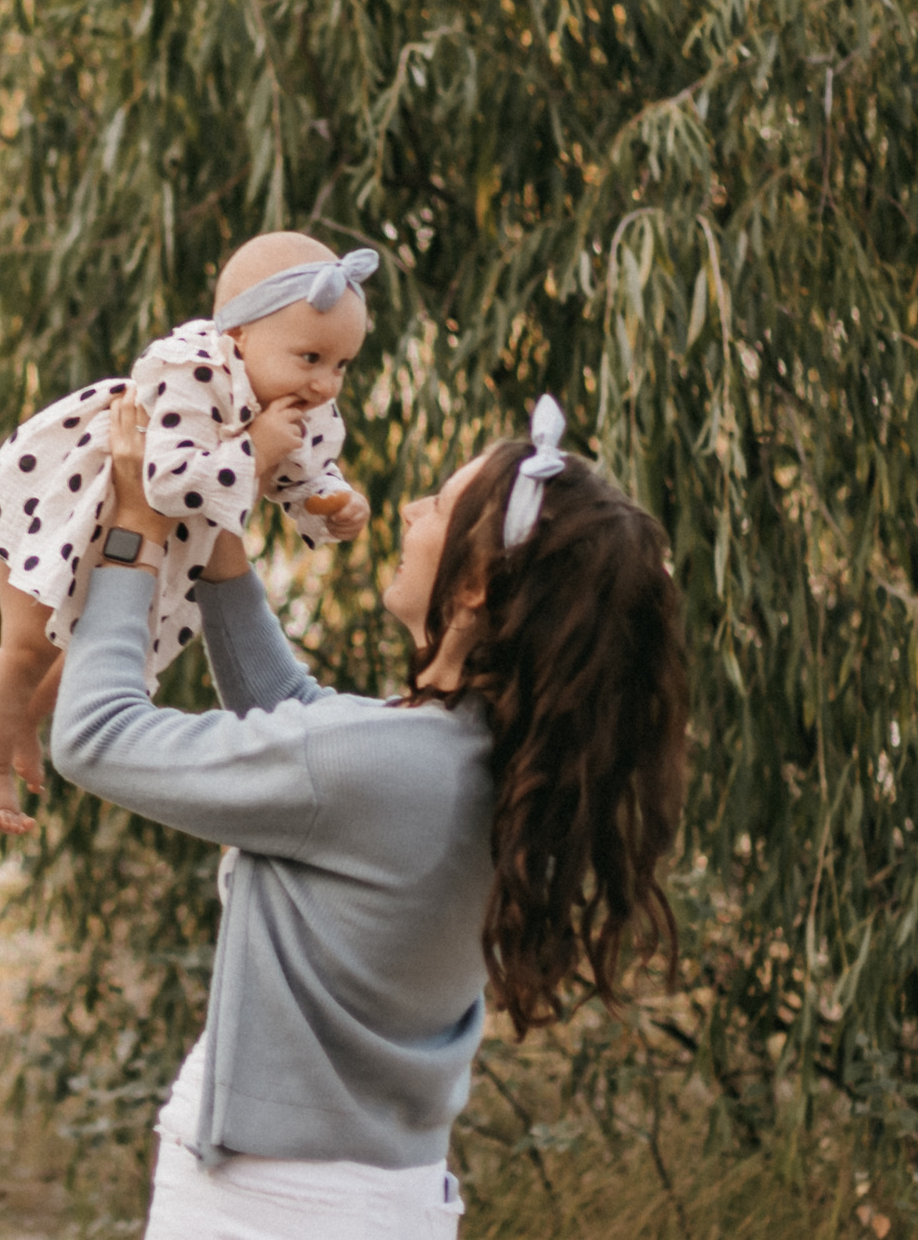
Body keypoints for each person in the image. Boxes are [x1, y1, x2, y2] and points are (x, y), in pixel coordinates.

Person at [52, 389, 692, 1238]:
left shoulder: (385, 764)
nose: (411, 510)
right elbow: (303, 725)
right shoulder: (492, 756)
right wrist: (215, 531)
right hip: (382, 1195)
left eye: (438, 503)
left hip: (271, 1207)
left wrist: (130, 534)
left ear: (471, 586)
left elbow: (95, 735)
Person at [0, 231, 379, 833]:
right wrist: (255, 450)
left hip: (155, 533)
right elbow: (165, 482)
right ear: (238, 337)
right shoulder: (192, 369)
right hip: (66, 502)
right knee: (27, 647)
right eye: (311, 359)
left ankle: (21, 719)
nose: (326, 384)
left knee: (79, 650)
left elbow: (299, 472)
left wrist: (330, 502)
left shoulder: (300, 397)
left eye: (341, 365)